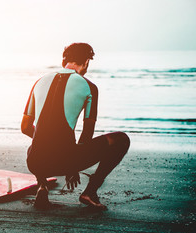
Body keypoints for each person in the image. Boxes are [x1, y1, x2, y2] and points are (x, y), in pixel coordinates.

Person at [21, 43, 130, 210]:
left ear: (64, 60)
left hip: (34, 162)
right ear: (86, 62)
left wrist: (46, 142)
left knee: (35, 145)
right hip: (65, 161)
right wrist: (73, 166)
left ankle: (42, 186)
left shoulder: (39, 82)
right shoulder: (90, 87)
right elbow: (87, 134)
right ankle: (90, 192)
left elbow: (25, 127)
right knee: (122, 139)